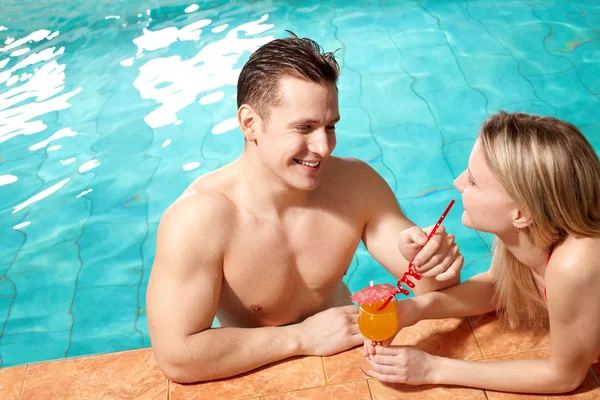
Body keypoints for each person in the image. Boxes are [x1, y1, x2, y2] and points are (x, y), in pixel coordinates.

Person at [146, 33, 464, 383]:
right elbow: (178, 358)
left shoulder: (355, 184)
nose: (324, 146)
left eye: (330, 126)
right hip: (264, 380)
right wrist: (301, 338)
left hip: (353, 366)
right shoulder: (199, 219)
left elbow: (427, 292)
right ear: (250, 123)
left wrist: (433, 266)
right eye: (305, 128)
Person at [364, 111, 600, 394]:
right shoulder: (531, 234)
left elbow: (564, 376)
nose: (458, 182)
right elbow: (495, 287)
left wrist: (433, 368)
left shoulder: (576, 262)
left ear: (521, 213)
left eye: (473, 181)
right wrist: (413, 310)